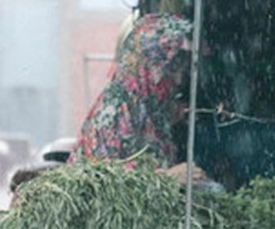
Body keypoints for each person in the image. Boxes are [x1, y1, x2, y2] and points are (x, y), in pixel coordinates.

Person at [71, 12, 209, 185]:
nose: (179, 79)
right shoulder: (117, 106)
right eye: (172, 68)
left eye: (182, 68)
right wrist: (165, 178)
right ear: (148, 63)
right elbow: (101, 181)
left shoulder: (152, 109)